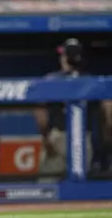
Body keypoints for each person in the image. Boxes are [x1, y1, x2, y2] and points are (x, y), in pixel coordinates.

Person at [34, 39, 97, 175]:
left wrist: (46, 139)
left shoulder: (51, 80)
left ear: (67, 58)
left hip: (59, 137)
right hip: (83, 139)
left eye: (63, 55)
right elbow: (107, 112)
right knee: (81, 188)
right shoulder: (92, 82)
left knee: (48, 187)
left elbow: (40, 113)